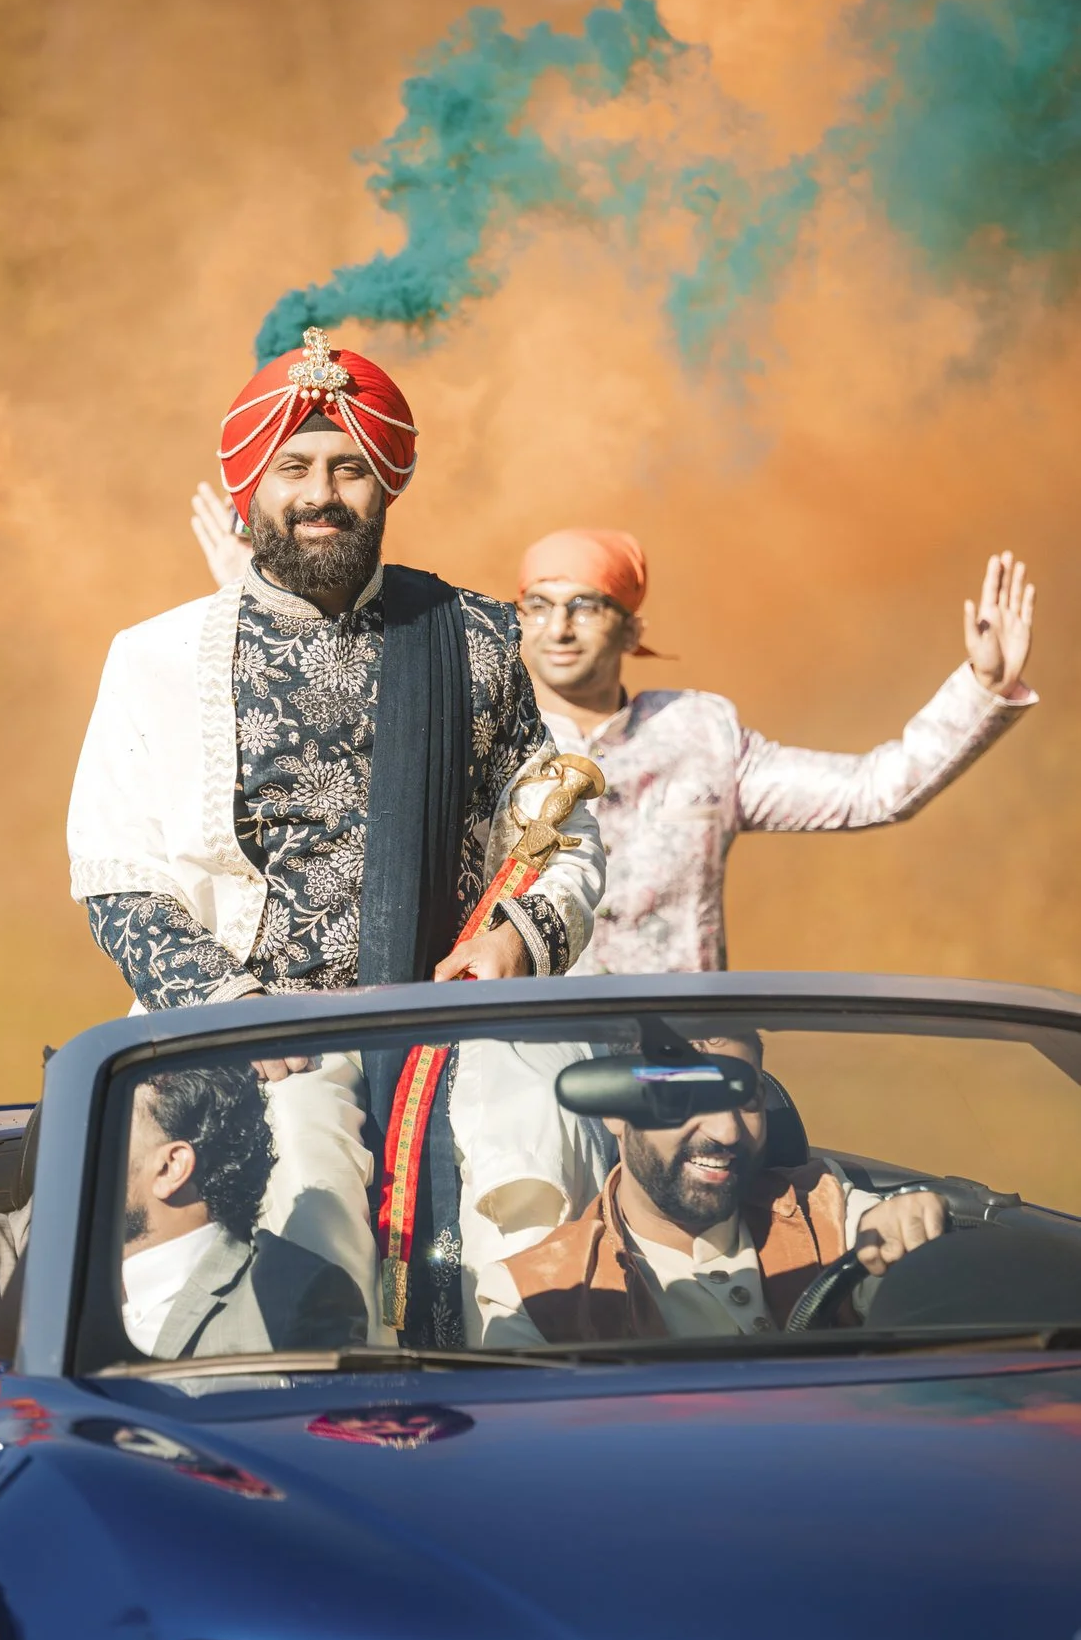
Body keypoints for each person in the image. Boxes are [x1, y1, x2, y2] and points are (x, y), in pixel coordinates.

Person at [70, 329, 605, 1342]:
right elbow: (117, 881)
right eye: (297, 469)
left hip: (449, 1023)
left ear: (386, 484)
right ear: (250, 485)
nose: (323, 493)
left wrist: (515, 939)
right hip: (253, 1040)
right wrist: (237, 1011)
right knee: (309, 1197)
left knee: (536, 1138)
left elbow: (564, 827)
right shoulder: (154, 659)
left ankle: (532, 1429)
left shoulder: (474, 641)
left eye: (350, 468)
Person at [515, 529, 1038, 974]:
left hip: (682, 1053)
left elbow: (874, 790)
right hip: (526, 1049)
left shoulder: (699, 733)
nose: (559, 628)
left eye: (586, 606)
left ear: (631, 630)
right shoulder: (490, 737)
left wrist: (982, 687)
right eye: (538, 606)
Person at [0, 1064, 369, 1361]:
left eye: (108, 1132)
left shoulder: (297, 1293)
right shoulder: (50, 1243)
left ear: (171, 1167)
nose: (77, 1150)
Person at [476, 1031, 946, 1346]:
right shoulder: (533, 1300)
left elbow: (927, 1297)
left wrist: (912, 1229)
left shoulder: (827, 1207)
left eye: (746, 1100)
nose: (726, 1131)